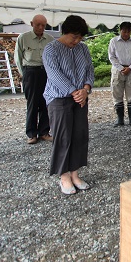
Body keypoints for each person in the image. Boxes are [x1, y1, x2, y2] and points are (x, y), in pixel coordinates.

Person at [43, 15, 95, 195]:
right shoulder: (51, 49)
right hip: (59, 98)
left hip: (81, 97)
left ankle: (75, 173)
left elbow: (89, 69)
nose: (77, 40)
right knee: (63, 136)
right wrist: (75, 91)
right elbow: (54, 74)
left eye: (80, 37)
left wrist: (86, 89)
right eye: (74, 36)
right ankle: (63, 175)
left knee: (80, 135)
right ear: (64, 32)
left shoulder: (83, 49)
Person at [14, 14, 54, 144]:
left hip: (46, 72)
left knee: (46, 102)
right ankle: (31, 134)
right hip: (30, 72)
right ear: (32, 24)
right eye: (38, 25)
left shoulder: (50, 39)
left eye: (43, 25)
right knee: (32, 103)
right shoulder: (23, 38)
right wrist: (24, 74)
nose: (41, 27)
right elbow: (18, 58)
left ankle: (44, 131)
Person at [108, 21, 131, 127]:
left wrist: (130, 68)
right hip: (117, 69)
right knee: (117, 93)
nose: (126, 34)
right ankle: (120, 119)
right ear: (120, 30)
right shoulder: (114, 41)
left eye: (128, 32)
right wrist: (120, 68)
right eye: (124, 31)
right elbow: (111, 56)